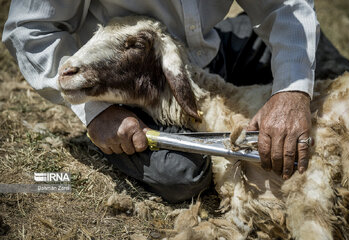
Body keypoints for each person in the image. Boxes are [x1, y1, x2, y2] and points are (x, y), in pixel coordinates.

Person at [3, 0, 319, 202]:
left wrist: (293, 91)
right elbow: (28, 27)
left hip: (203, 57)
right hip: (128, 86)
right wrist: (97, 111)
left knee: (314, 54)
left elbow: (285, 6)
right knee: (183, 174)